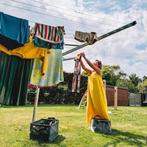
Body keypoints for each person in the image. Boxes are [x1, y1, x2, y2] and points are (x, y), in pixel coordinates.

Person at [79, 52, 110, 127]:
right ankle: (95, 117)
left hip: (98, 92)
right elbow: (84, 67)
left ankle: (103, 117)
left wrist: (84, 57)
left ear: (98, 65)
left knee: (99, 104)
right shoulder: (92, 72)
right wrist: (80, 59)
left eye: (95, 63)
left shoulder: (99, 71)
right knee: (92, 105)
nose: (93, 63)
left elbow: (90, 65)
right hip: (92, 92)